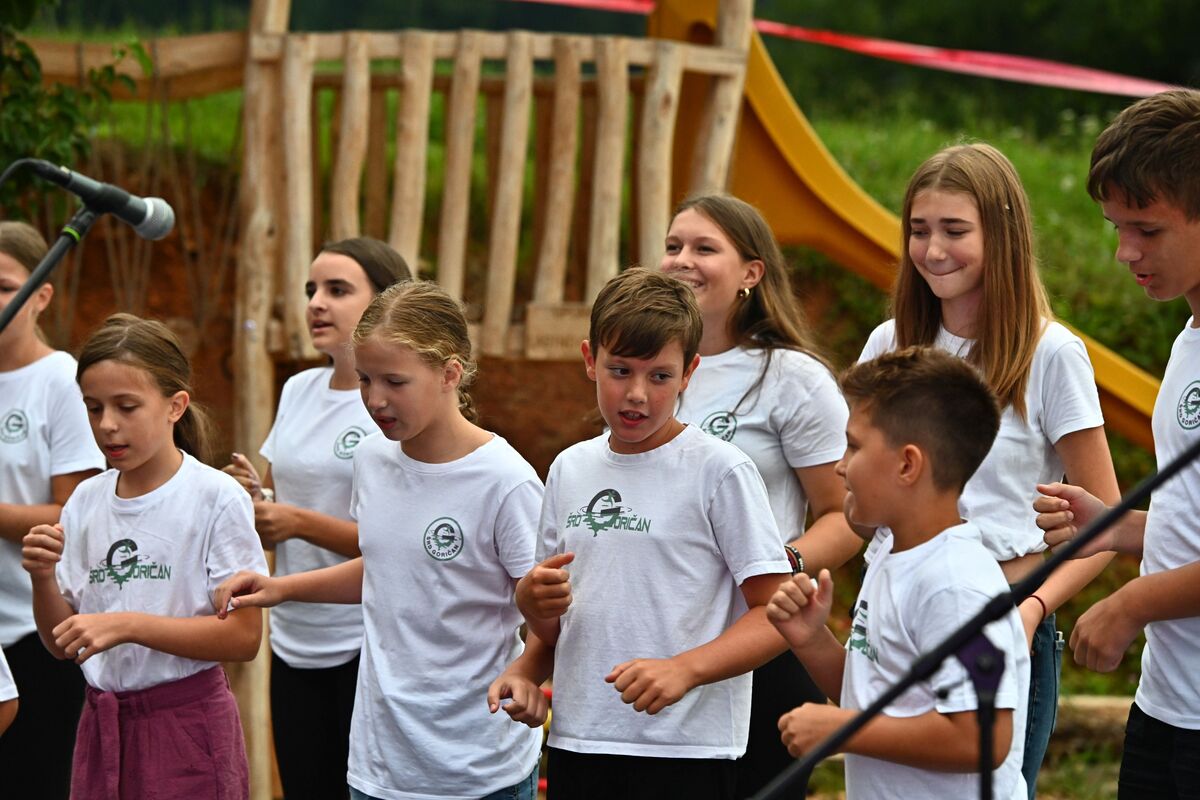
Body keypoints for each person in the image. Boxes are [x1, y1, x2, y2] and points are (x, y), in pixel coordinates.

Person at [213, 280, 545, 800]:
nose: (375, 399)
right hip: (379, 763)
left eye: (395, 381)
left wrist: (528, 673)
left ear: (450, 373)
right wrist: (280, 588)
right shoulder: (370, 458)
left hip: (478, 767)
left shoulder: (506, 481)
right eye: (365, 379)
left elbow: (547, 611)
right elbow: (387, 569)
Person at [857, 142, 1120, 795]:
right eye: (919, 230)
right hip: (895, 616)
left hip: (1000, 620)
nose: (933, 250)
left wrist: (1028, 612)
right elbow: (856, 493)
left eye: (955, 230)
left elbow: (1106, 527)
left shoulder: (1050, 353)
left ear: (1001, 237)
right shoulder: (890, 343)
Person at [508, 267, 791, 799]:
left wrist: (686, 669)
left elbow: (778, 615)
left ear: (689, 372)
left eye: (659, 376)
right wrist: (527, 652)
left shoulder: (720, 471)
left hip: (687, 751)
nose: (636, 394)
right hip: (579, 741)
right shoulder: (569, 468)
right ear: (589, 359)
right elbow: (555, 625)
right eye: (620, 370)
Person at [660, 193, 859, 794]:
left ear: (751, 272)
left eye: (704, 248)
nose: (682, 260)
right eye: (672, 246)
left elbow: (846, 515)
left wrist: (779, 565)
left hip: (761, 643)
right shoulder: (645, 364)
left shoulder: (792, 378)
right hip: (659, 635)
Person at [21, 313, 266, 799]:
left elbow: (244, 636)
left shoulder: (215, 497)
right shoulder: (85, 500)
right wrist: (43, 577)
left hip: (187, 728)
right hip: (102, 722)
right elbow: (62, 644)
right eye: (93, 408)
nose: (107, 425)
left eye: (127, 406)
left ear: (176, 406)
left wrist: (128, 625)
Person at [768, 346, 1029, 798]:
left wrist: (844, 729)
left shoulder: (955, 586)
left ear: (908, 464)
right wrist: (811, 639)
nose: (840, 466)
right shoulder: (893, 553)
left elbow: (983, 738)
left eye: (853, 445)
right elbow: (876, 698)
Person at [1034, 88, 1200, 798]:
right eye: (1115, 227)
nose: (1124, 252)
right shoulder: (1189, 336)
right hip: (1167, 701)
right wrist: (1120, 528)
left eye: (1147, 230)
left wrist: (1134, 603)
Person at [221, 237, 410, 800]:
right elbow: (282, 494)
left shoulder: (395, 405)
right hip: (292, 634)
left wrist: (298, 522)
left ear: (385, 302)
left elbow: (403, 542)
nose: (316, 303)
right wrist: (256, 497)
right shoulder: (298, 389)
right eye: (311, 290)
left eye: (337, 289)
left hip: (366, 639)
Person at [0, 220, 105, 796]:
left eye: (3, 286)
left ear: (41, 296)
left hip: (35, 630)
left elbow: (73, 512)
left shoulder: (59, 379)